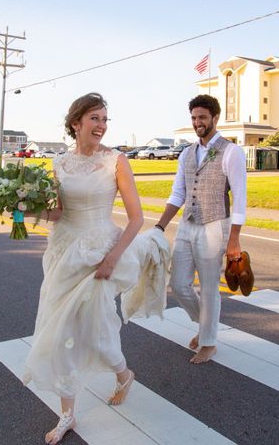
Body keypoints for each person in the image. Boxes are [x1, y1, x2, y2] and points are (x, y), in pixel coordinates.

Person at [22, 92, 169, 444]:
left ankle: (123, 373)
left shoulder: (116, 161)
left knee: (100, 332)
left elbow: (136, 219)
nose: (102, 126)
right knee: (60, 333)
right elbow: (57, 213)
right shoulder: (60, 163)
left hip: (100, 251)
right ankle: (68, 415)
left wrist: (112, 258)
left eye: (105, 119)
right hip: (63, 252)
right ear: (76, 123)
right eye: (95, 119)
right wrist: (24, 210)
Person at [154, 94, 247, 364]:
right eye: (194, 118)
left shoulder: (232, 151)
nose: (198, 123)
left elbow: (239, 198)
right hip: (188, 224)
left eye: (202, 118)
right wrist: (160, 226)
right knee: (179, 284)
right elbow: (177, 194)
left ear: (215, 118)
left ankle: (208, 341)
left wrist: (234, 240)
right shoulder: (187, 153)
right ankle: (205, 323)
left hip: (215, 226)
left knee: (208, 289)